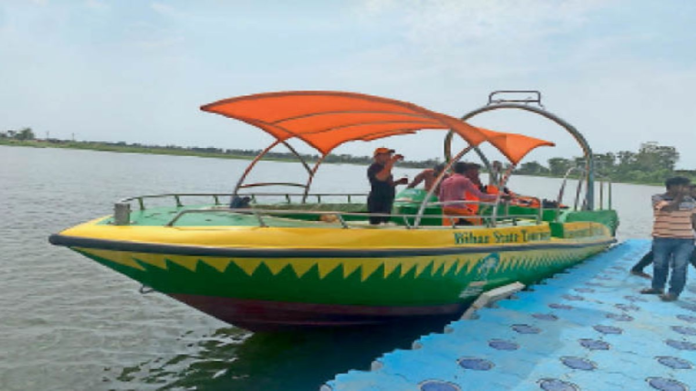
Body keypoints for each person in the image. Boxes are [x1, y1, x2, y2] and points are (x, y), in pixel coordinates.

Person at [640, 177, 696, 301]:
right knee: (660, 264)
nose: (688, 189)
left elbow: (693, 219)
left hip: (685, 239)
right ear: (672, 186)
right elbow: (669, 209)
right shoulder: (658, 198)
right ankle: (657, 287)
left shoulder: (691, 201)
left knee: (679, 266)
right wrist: (680, 197)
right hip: (662, 237)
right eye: (685, 186)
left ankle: (673, 293)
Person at [631, 184, 696, 278]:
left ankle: (637, 268)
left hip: (681, 234)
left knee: (656, 253)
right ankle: (637, 269)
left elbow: (693, 220)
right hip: (667, 233)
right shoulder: (663, 198)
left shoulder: (691, 202)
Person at [367, 147, 408, 225]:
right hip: (377, 199)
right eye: (386, 154)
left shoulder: (385, 168)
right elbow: (381, 178)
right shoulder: (374, 167)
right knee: (376, 222)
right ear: (377, 156)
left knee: (385, 221)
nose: (389, 156)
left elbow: (388, 183)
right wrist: (392, 162)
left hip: (387, 198)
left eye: (389, 154)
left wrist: (398, 182)